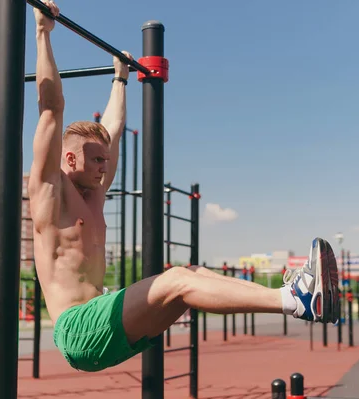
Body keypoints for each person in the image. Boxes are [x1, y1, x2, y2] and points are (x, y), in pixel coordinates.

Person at [28, 1, 340, 373]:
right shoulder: (49, 190)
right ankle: (295, 299)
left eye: (106, 160)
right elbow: (51, 107)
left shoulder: (94, 193)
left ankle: (298, 298)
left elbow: (112, 130)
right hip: (78, 330)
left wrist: (120, 79)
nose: (104, 166)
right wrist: (43, 32)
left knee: (192, 275)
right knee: (175, 280)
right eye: (96, 160)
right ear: (70, 159)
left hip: (105, 326)